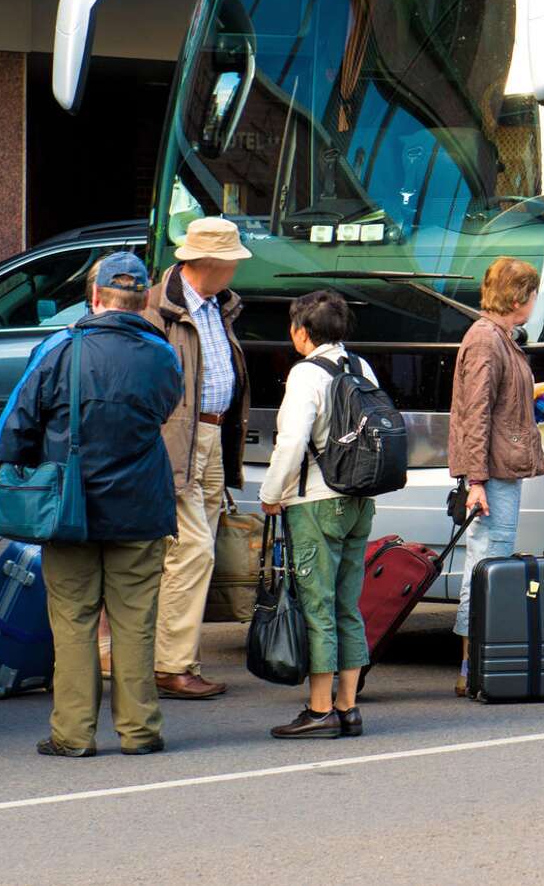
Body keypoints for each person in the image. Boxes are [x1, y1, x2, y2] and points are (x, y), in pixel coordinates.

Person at [0, 252, 182, 756]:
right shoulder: (163, 355)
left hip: (68, 508)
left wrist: (11, 474)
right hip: (141, 507)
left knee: (74, 622)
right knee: (135, 621)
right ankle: (140, 731)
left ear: (94, 297)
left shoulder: (60, 349)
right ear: (143, 303)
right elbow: (166, 409)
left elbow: (18, 425)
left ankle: (73, 734)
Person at [257, 291, 377, 739]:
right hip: (360, 500)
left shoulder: (306, 374)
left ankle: (320, 708)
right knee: (348, 604)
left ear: (301, 332)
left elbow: (291, 442)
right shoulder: (361, 367)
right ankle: (348, 707)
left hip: (316, 502)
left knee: (316, 605)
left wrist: (271, 494)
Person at [147, 217, 252, 700]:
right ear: (210, 262)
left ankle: (173, 656)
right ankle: (170, 664)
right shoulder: (159, 308)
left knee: (191, 549)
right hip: (180, 440)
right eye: (231, 261)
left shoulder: (216, 305)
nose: (236, 269)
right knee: (192, 550)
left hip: (210, 435)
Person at [449, 256, 544, 697]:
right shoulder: (488, 341)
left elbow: (495, 404)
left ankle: (479, 661)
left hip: (496, 470)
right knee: (488, 564)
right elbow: (475, 413)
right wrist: (476, 480)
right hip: (492, 476)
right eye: (531, 294)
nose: (534, 301)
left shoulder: (498, 339)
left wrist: (533, 402)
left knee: (490, 562)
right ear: (517, 298)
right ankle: (474, 665)